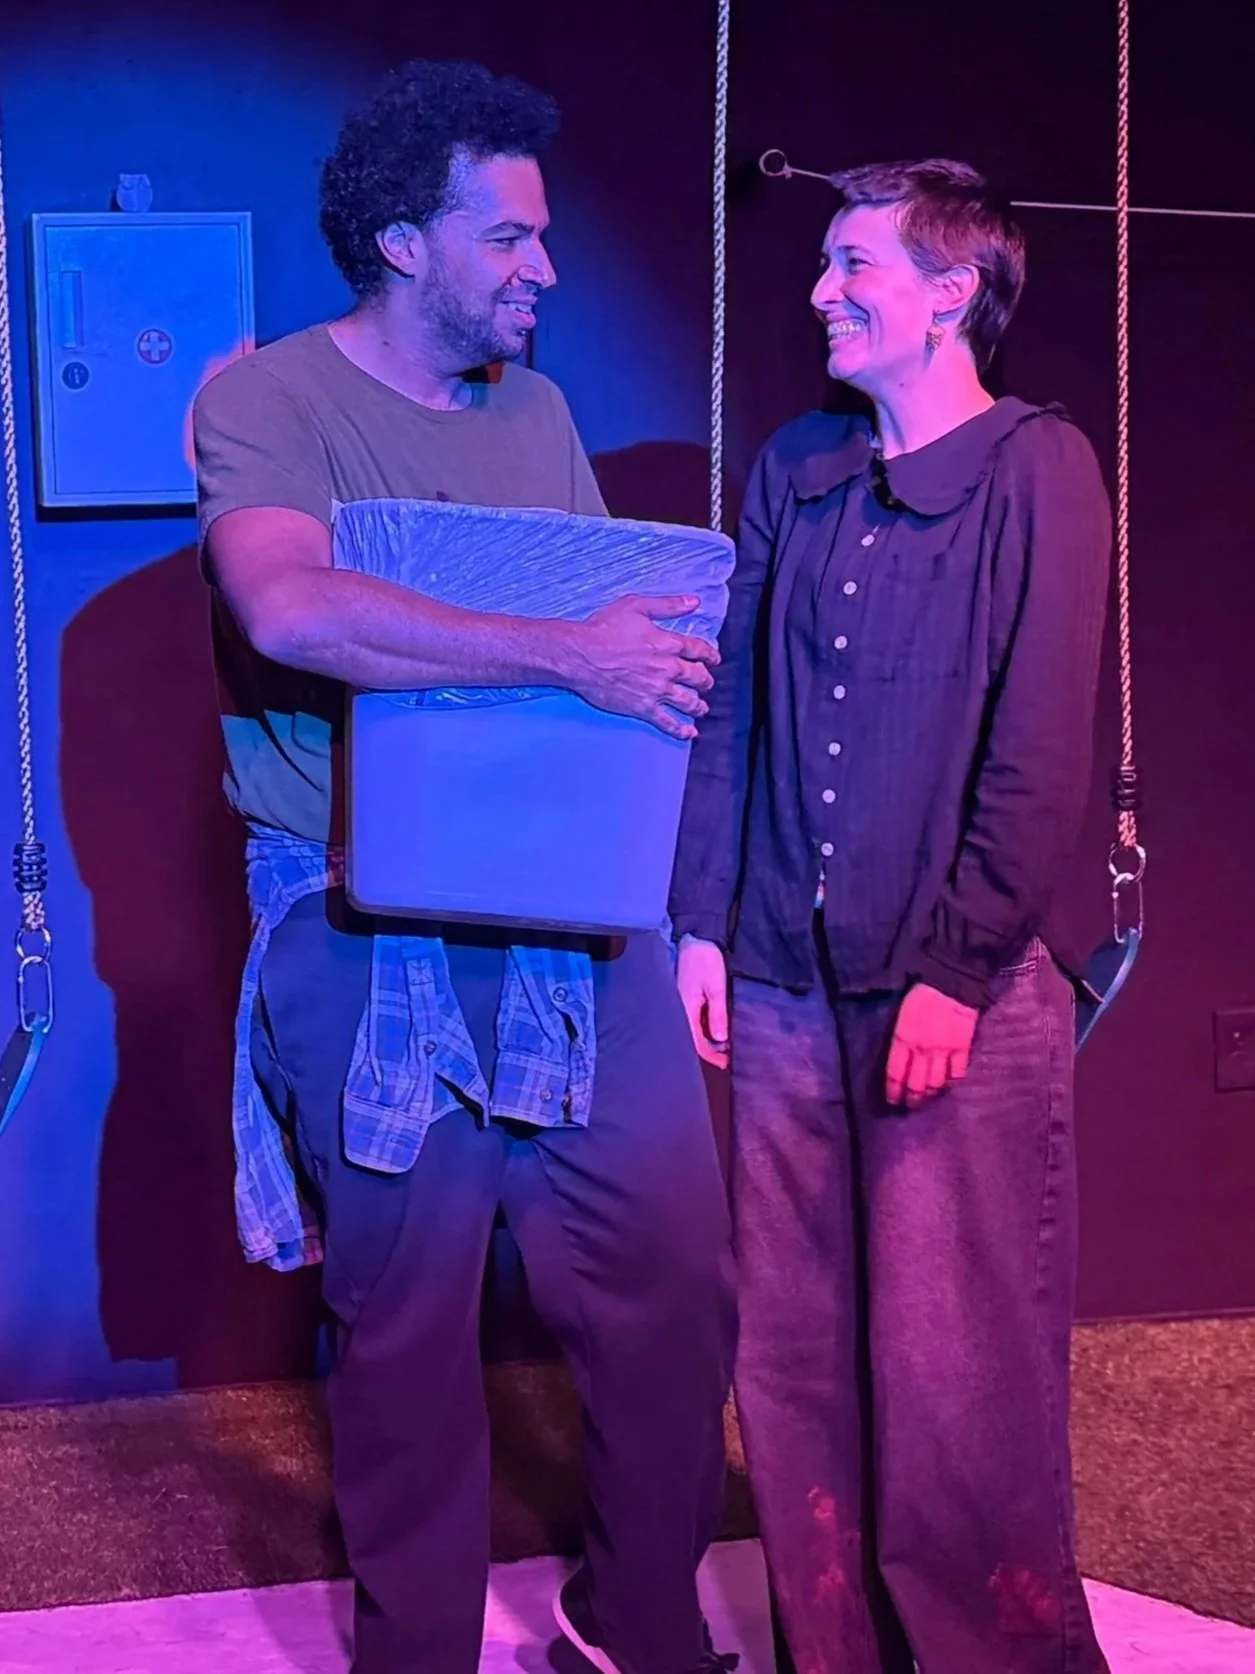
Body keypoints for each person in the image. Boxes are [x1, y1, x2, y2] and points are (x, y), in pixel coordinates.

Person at [193, 59, 737, 1674]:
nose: (543, 267)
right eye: (508, 236)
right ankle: (415, 1650)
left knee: (671, 1284)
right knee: (408, 1320)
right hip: (362, 913)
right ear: (402, 243)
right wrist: (568, 652)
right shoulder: (269, 401)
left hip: (568, 905)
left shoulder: (538, 413)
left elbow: (604, 660)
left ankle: (633, 1618)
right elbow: (289, 606)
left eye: (541, 236)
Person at [672, 159, 1112, 1674]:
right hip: (784, 983)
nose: (819, 293)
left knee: (953, 1368)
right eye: (822, 264)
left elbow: (1039, 745)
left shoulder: (1037, 469)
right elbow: (732, 709)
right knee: (793, 1356)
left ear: (950, 292)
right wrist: (701, 921)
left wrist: (958, 968)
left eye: (852, 264)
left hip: (948, 989)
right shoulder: (796, 467)